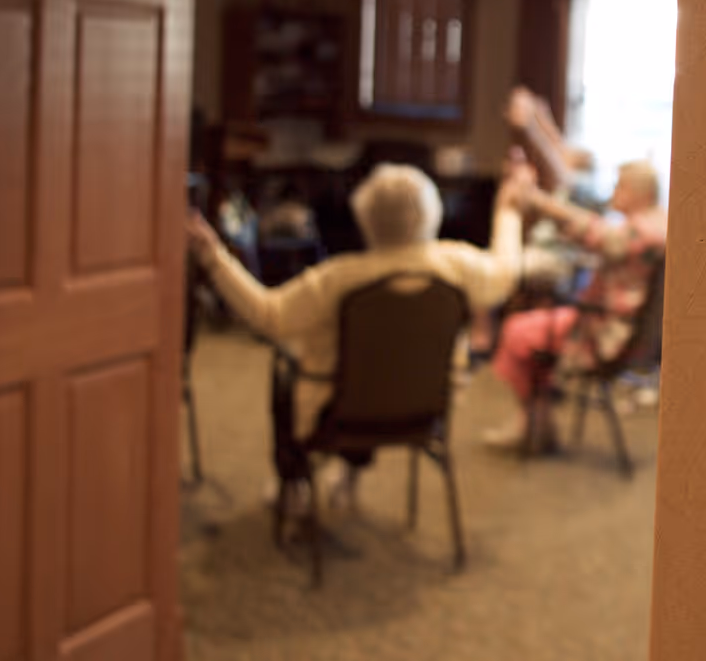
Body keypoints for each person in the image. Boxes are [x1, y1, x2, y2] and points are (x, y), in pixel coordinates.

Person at [187, 163, 528, 517]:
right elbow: (507, 271)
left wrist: (213, 256)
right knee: (386, 369)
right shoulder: (457, 265)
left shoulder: (338, 279)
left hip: (339, 412)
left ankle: (294, 482)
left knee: (290, 377)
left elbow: (267, 315)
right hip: (426, 411)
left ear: (365, 217)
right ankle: (349, 475)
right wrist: (508, 209)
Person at [484, 159, 668, 449]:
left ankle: (532, 422)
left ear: (640, 193)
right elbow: (599, 231)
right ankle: (537, 421)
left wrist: (537, 200)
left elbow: (598, 234)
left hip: (603, 333)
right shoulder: (656, 223)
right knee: (535, 329)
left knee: (517, 330)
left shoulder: (644, 233)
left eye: (620, 186)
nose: (613, 192)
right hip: (609, 323)